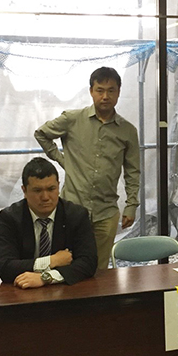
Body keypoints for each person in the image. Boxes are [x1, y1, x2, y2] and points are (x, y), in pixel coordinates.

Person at [0, 157, 98, 356]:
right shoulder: (9, 217)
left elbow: (88, 262)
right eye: (37, 190)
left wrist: (46, 277)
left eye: (51, 188)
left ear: (59, 186)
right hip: (21, 294)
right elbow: (4, 266)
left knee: (73, 318)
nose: (45, 197)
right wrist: (51, 261)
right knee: (15, 327)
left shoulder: (76, 215)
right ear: (24, 190)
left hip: (61, 290)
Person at [35, 67, 140, 271]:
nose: (105, 96)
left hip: (106, 212)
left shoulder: (127, 131)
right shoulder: (72, 119)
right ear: (91, 91)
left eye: (111, 90)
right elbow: (41, 133)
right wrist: (62, 160)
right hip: (72, 210)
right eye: (100, 90)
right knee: (66, 265)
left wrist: (131, 205)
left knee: (99, 270)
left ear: (119, 92)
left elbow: (132, 171)